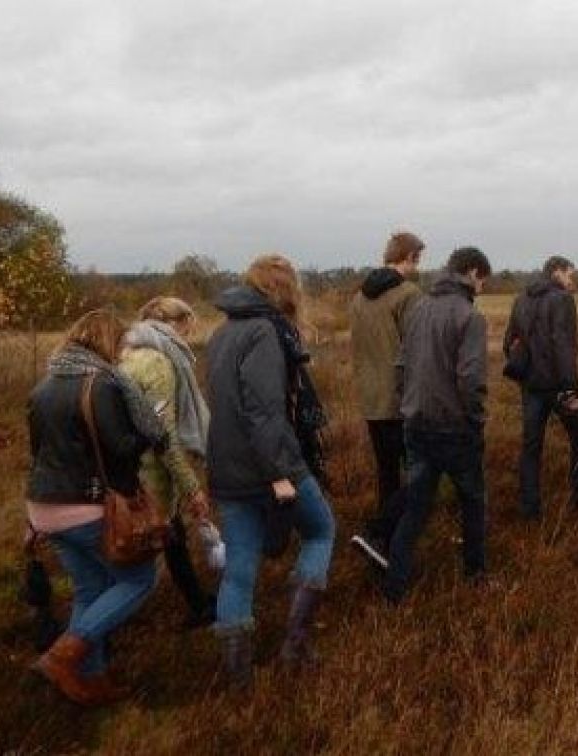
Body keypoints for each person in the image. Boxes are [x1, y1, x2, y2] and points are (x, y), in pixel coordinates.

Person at [205, 255, 336, 690]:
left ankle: (238, 678)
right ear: (284, 288)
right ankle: (295, 645)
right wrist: (281, 473)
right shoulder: (264, 331)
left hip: (227, 468)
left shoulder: (222, 333)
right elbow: (264, 412)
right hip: (270, 466)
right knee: (321, 531)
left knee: (241, 564)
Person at [26, 310, 167, 706]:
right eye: (120, 343)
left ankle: (93, 678)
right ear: (105, 341)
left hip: (44, 508)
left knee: (90, 588)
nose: (122, 351)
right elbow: (121, 448)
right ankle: (63, 655)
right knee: (138, 580)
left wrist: (30, 521)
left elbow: (36, 455)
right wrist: (148, 431)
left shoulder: (44, 386)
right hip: (87, 506)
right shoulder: (101, 384)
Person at [383, 247, 493, 603]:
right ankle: (476, 577)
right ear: (473, 273)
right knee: (473, 503)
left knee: (416, 507)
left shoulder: (419, 308)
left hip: (415, 425)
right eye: (483, 280)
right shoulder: (470, 317)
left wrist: (409, 405)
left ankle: (394, 589)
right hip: (456, 430)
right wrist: (475, 419)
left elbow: (400, 367)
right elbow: (470, 378)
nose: (483, 288)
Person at [118, 296, 216, 629]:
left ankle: (198, 604)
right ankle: (97, 628)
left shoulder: (127, 354)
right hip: (151, 474)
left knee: (172, 539)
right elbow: (165, 433)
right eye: (188, 328)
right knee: (144, 553)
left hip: (129, 468)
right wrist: (191, 486)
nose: (188, 337)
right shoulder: (158, 362)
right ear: (176, 324)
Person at [346, 232, 425, 568]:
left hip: (370, 396)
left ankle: (383, 535)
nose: (419, 265)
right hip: (400, 397)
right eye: (418, 258)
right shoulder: (409, 294)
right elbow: (416, 348)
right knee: (420, 473)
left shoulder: (358, 297)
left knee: (387, 470)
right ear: (408, 257)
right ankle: (386, 538)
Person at [504, 256, 578, 520]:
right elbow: (563, 346)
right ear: (556, 272)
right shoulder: (563, 299)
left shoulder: (521, 299)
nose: (571, 279)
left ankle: (530, 510)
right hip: (558, 385)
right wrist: (569, 389)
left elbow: (509, 343)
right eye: (569, 274)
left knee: (531, 447)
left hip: (531, 387)